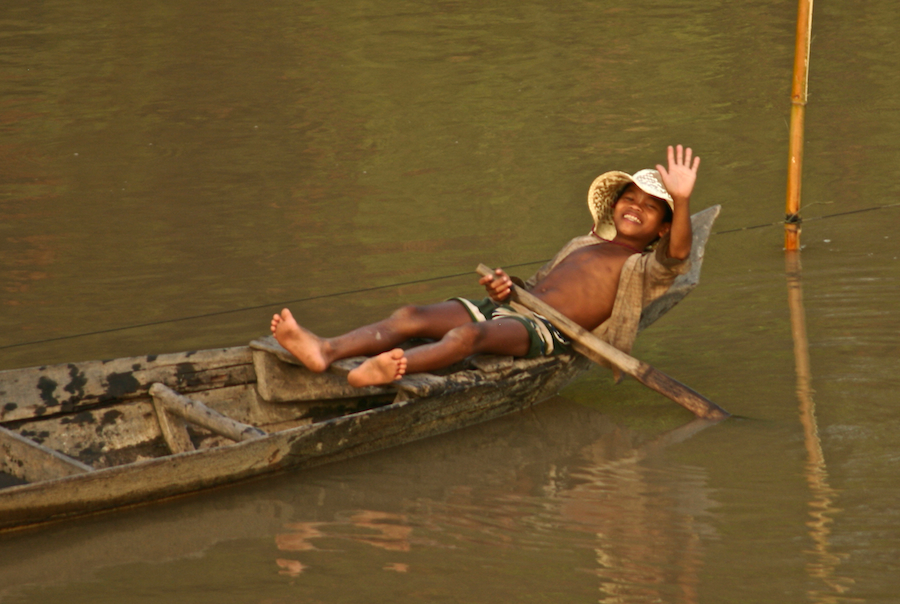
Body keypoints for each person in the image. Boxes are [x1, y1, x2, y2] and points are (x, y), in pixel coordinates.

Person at [271, 144, 699, 388]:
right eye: (630, 199)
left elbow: (678, 255)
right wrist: (505, 286)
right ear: (614, 204)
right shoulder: (583, 244)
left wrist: (681, 200)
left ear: (662, 228)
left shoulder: (643, 267)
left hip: (548, 332)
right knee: (411, 315)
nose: (636, 208)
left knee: (468, 335)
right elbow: (535, 285)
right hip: (517, 308)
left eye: (650, 208)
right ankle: (324, 349)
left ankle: (393, 368)